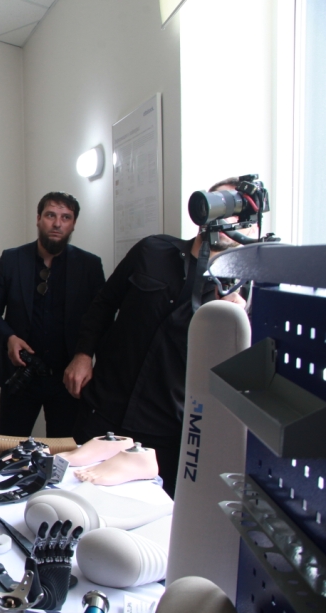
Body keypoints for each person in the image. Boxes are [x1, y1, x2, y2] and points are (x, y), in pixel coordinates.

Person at [63, 177, 251, 497]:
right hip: (104, 406)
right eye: (220, 206)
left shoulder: (241, 295)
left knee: (151, 513)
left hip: (166, 428)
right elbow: (105, 303)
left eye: (236, 213)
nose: (225, 220)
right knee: (75, 494)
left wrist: (235, 320)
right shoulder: (152, 250)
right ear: (203, 210)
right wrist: (83, 355)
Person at [0, 192, 104, 437]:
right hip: (19, 375)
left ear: (74, 223)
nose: (57, 223)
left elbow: (100, 319)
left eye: (66, 217)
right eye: (51, 215)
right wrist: (8, 338)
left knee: (66, 453)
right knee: (10, 450)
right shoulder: (11, 259)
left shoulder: (90, 266)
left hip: (68, 379)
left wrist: (85, 356)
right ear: (39, 218)